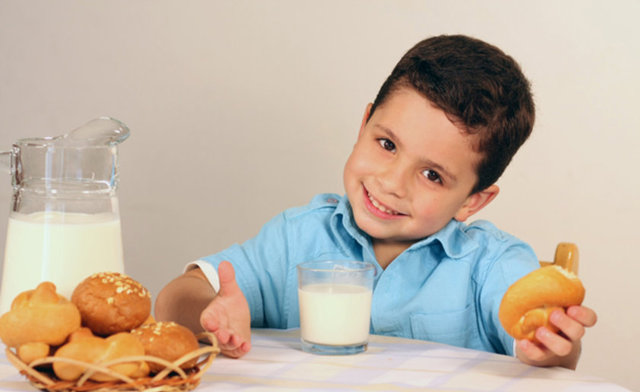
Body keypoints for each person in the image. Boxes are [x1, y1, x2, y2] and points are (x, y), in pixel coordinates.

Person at [155, 34, 597, 368]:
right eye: (386, 144)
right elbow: (176, 297)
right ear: (364, 123)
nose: (391, 183)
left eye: (431, 175)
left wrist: (552, 346)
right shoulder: (297, 237)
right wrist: (208, 312)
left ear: (473, 202)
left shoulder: (491, 265)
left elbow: (541, 340)